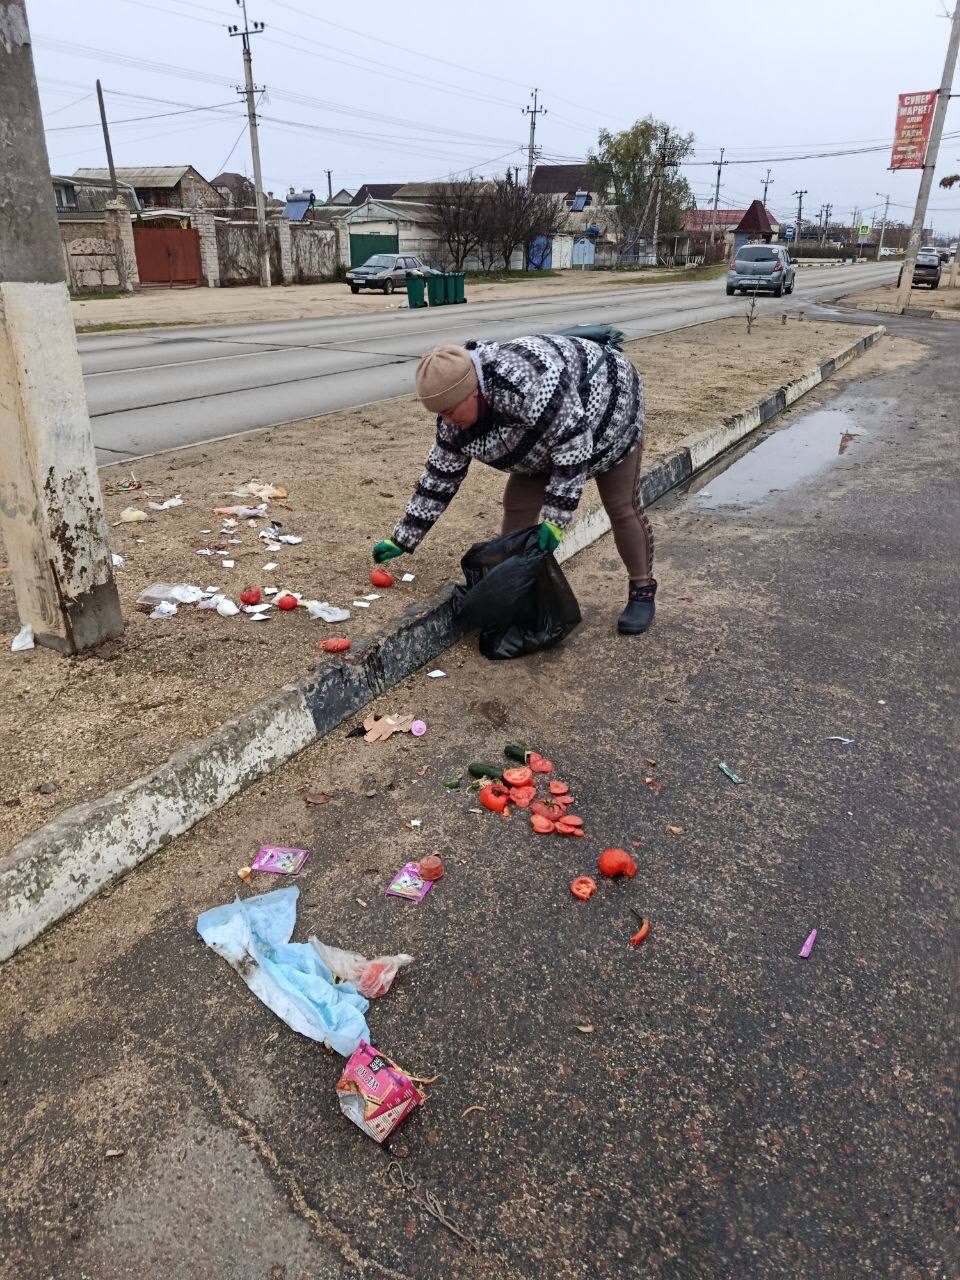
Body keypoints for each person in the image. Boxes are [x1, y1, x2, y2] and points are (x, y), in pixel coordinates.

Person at [373, 335, 657, 635]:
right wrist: (403, 537)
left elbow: (573, 443)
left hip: (610, 409)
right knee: (517, 504)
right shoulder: (454, 419)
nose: (448, 420)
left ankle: (642, 588)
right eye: (440, 414)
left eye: (451, 410)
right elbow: (439, 478)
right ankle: (513, 595)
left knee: (620, 505)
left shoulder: (528, 382)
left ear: (473, 392)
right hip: (543, 434)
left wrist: (555, 520)